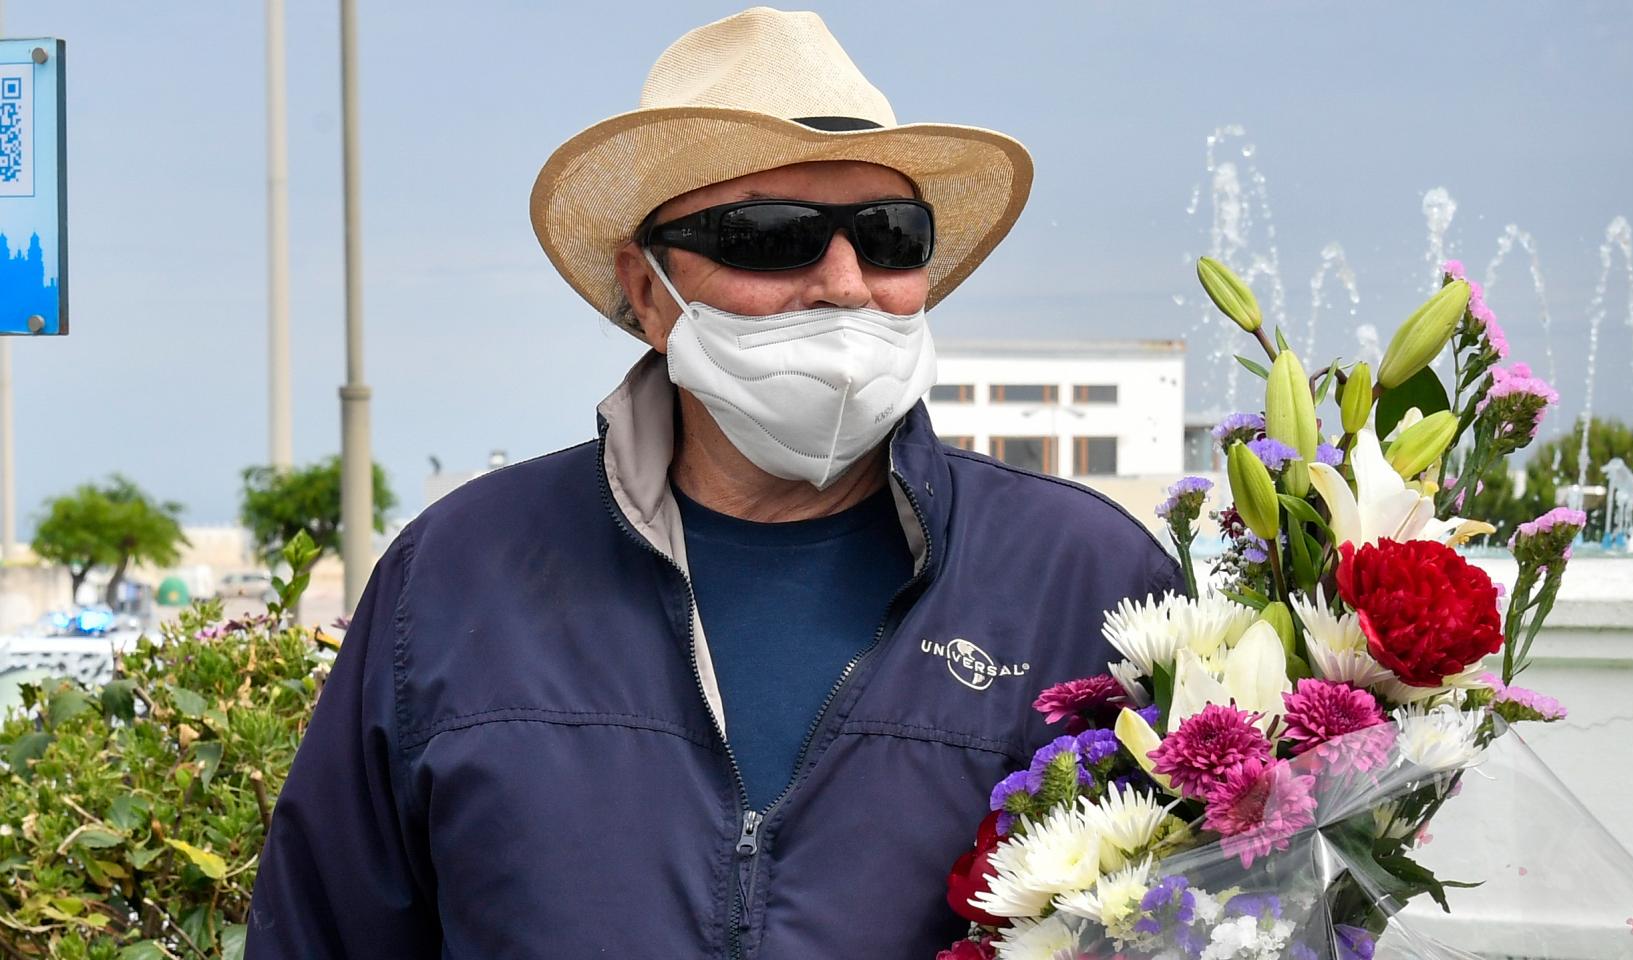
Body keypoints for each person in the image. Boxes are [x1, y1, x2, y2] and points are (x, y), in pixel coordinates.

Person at [246, 8, 1181, 957]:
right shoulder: (454, 572)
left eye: (892, 234)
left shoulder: (1090, 580)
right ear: (649, 291)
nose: (847, 281)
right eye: (770, 236)